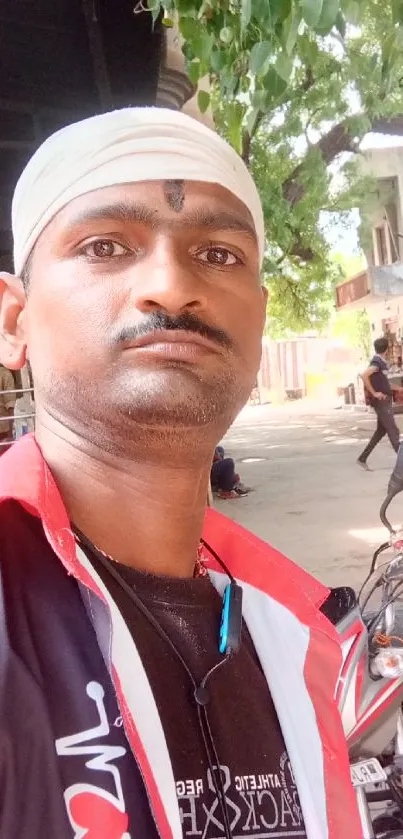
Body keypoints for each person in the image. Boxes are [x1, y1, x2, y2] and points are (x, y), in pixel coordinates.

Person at [0, 107, 360, 839]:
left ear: (258, 320)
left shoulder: (297, 628)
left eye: (219, 254)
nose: (169, 286)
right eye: (105, 246)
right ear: (14, 320)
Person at [358, 336, 403, 470]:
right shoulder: (377, 362)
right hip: (382, 403)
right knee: (394, 432)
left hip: (385, 402)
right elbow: (364, 375)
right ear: (387, 349)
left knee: (381, 431)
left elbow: (385, 384)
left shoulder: (381, 363)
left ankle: (362, 458)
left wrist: (398, 388)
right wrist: (374, 393)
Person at [0, 363, 15, 454]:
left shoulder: (4, 373)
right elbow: (10, 404)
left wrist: (10, 432)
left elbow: (10, 404)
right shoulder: (5, 373)